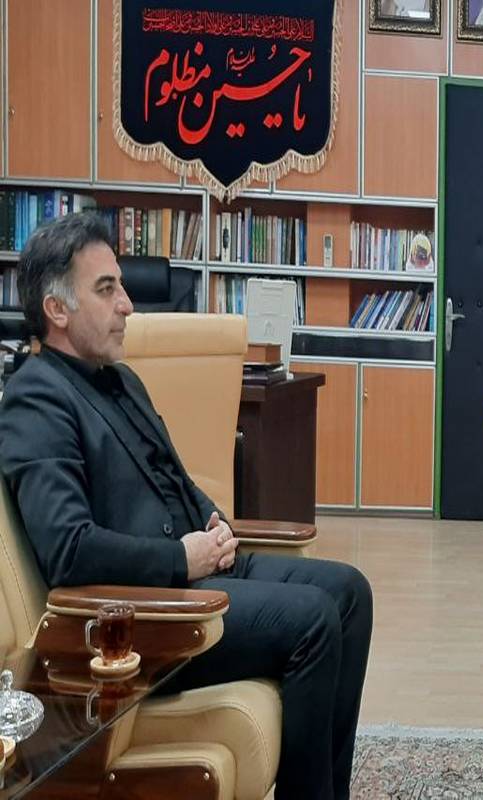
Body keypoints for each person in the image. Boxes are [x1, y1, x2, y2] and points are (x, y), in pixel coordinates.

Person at [0, 213, 373, 800]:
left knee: (350, 593)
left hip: (197, 571)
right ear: (56, 310)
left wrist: (212, 521)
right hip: (145, 616)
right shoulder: (36, 398)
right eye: (106, 289)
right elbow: (68, 551)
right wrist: (182, 559)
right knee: (313, 620)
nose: (127, 305)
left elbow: (173, 474)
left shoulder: (119, 379)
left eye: (121, 286)